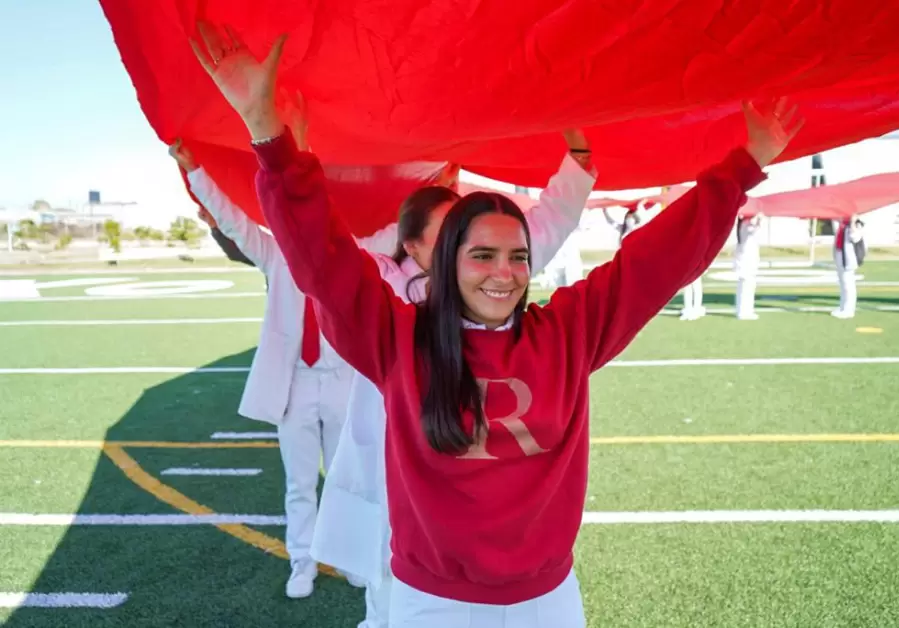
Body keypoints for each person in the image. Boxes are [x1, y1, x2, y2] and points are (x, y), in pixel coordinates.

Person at [190, 21, 802, 626]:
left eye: (517, 256)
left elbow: (657, 262)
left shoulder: (567, 332)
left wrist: (743, 167)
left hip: (548, 600)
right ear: (444, 260)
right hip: (430, 603)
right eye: (482, 255)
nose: (503, 273)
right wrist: (266, 130)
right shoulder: (397, 337)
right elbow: (320, 260)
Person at [315, 130, 595, 628]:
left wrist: (575, 164)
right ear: (415, 245)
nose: (479, 253)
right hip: (395, 457)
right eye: (452, 236)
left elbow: (545, 229)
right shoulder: (381, 289)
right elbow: (323, 260)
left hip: (468, 497)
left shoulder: (493, 282)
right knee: (386, 567)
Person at [169, 137, 400, 600]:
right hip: (293, 385)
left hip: (342, 382)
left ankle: (353, 557)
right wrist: (195, 171)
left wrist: (443, 183)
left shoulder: (354, 249)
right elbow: (231, 216)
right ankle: (302, 562)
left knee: (348, 477)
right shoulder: (273, 252)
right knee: (299, 483)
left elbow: (402, 228)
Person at [831, 214, 865, 319]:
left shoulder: (856, 223)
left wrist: (853, 223)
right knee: (842, 283)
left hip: (849, 258)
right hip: (840, 254)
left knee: (848, 284)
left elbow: (855, 237)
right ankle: (842, 307)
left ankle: (849, 310)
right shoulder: (843, 222)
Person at [734, 213, 763, 320]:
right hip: (746, 264)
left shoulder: (744, 226)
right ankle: (743, 312)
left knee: (746, 287)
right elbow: (754, 231)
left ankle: (746, 310)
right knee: (746, 288)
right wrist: (759, 220)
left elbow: (755, 232)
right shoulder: (745, 226)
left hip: (748, 263)